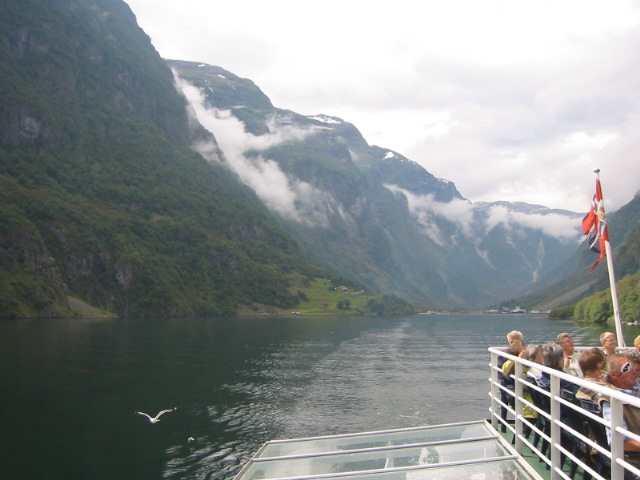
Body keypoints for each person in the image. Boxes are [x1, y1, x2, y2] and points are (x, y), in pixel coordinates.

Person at [600, 354, 640, 473]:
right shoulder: (611, 401)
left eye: (632, 366)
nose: (634, 370)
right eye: (627, 368)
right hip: (634, 459)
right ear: (614, 375)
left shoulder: (635, 387)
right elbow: (619, 442)